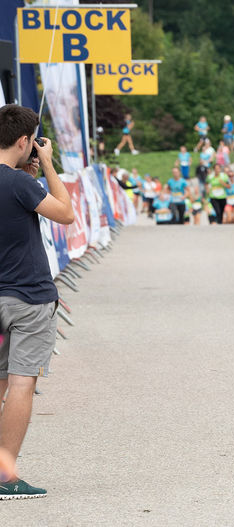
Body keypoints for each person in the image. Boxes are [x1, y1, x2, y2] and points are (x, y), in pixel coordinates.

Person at [0, 104, 75, 498]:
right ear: (24, 141)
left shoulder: (13, 180)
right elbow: (65, 214)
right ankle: (5, 476)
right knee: (21, 383)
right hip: (28, 296)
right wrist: (46, 164)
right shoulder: (20, 183)